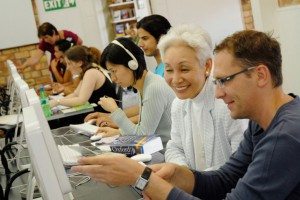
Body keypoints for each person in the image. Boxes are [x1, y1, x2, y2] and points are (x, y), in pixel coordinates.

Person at [72, 29, 300, 199]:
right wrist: (178, 174)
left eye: (224, 81)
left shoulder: (285, 135)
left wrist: (141, 179)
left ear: (260, 75)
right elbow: (225, 179)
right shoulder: (261, 124)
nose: (218, 92)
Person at [160, 25, 245, 171]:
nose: (175, 79)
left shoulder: (228, 104)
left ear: (206, 66)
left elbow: (241, 164)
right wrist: (183, 171)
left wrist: (194, 180)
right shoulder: (178, 105)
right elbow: (174, 147)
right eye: (168, 70)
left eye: (184, 69)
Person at [90, 37, 175, 145]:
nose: (113, 78)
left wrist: (115, 111)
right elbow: (143, 129)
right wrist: (118, 132)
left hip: (165, 152)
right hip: (158, 148)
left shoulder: (153, 88)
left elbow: (143, 136)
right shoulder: (145, 85)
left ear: (132, 64)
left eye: (114, 71)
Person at [49, 45, 118, 114]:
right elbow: (76, 94)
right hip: (99, 112)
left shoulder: (91, 72)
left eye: (69, 63)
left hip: (106, 115)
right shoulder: (87, 71)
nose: (67, 68)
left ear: (80, 63)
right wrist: (56, 101)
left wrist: (58, 102)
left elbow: (81, 100)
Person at [17, 22, 82, 77]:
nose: (45, 40)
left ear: (53, 32)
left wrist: (74, 58)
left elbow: (80, 42)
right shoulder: (45, 42)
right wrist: (23, 66)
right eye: (43, 38)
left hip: (71, 67)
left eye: (46, 37)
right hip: (57, 69)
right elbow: (35, 58)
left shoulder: (67, 35)